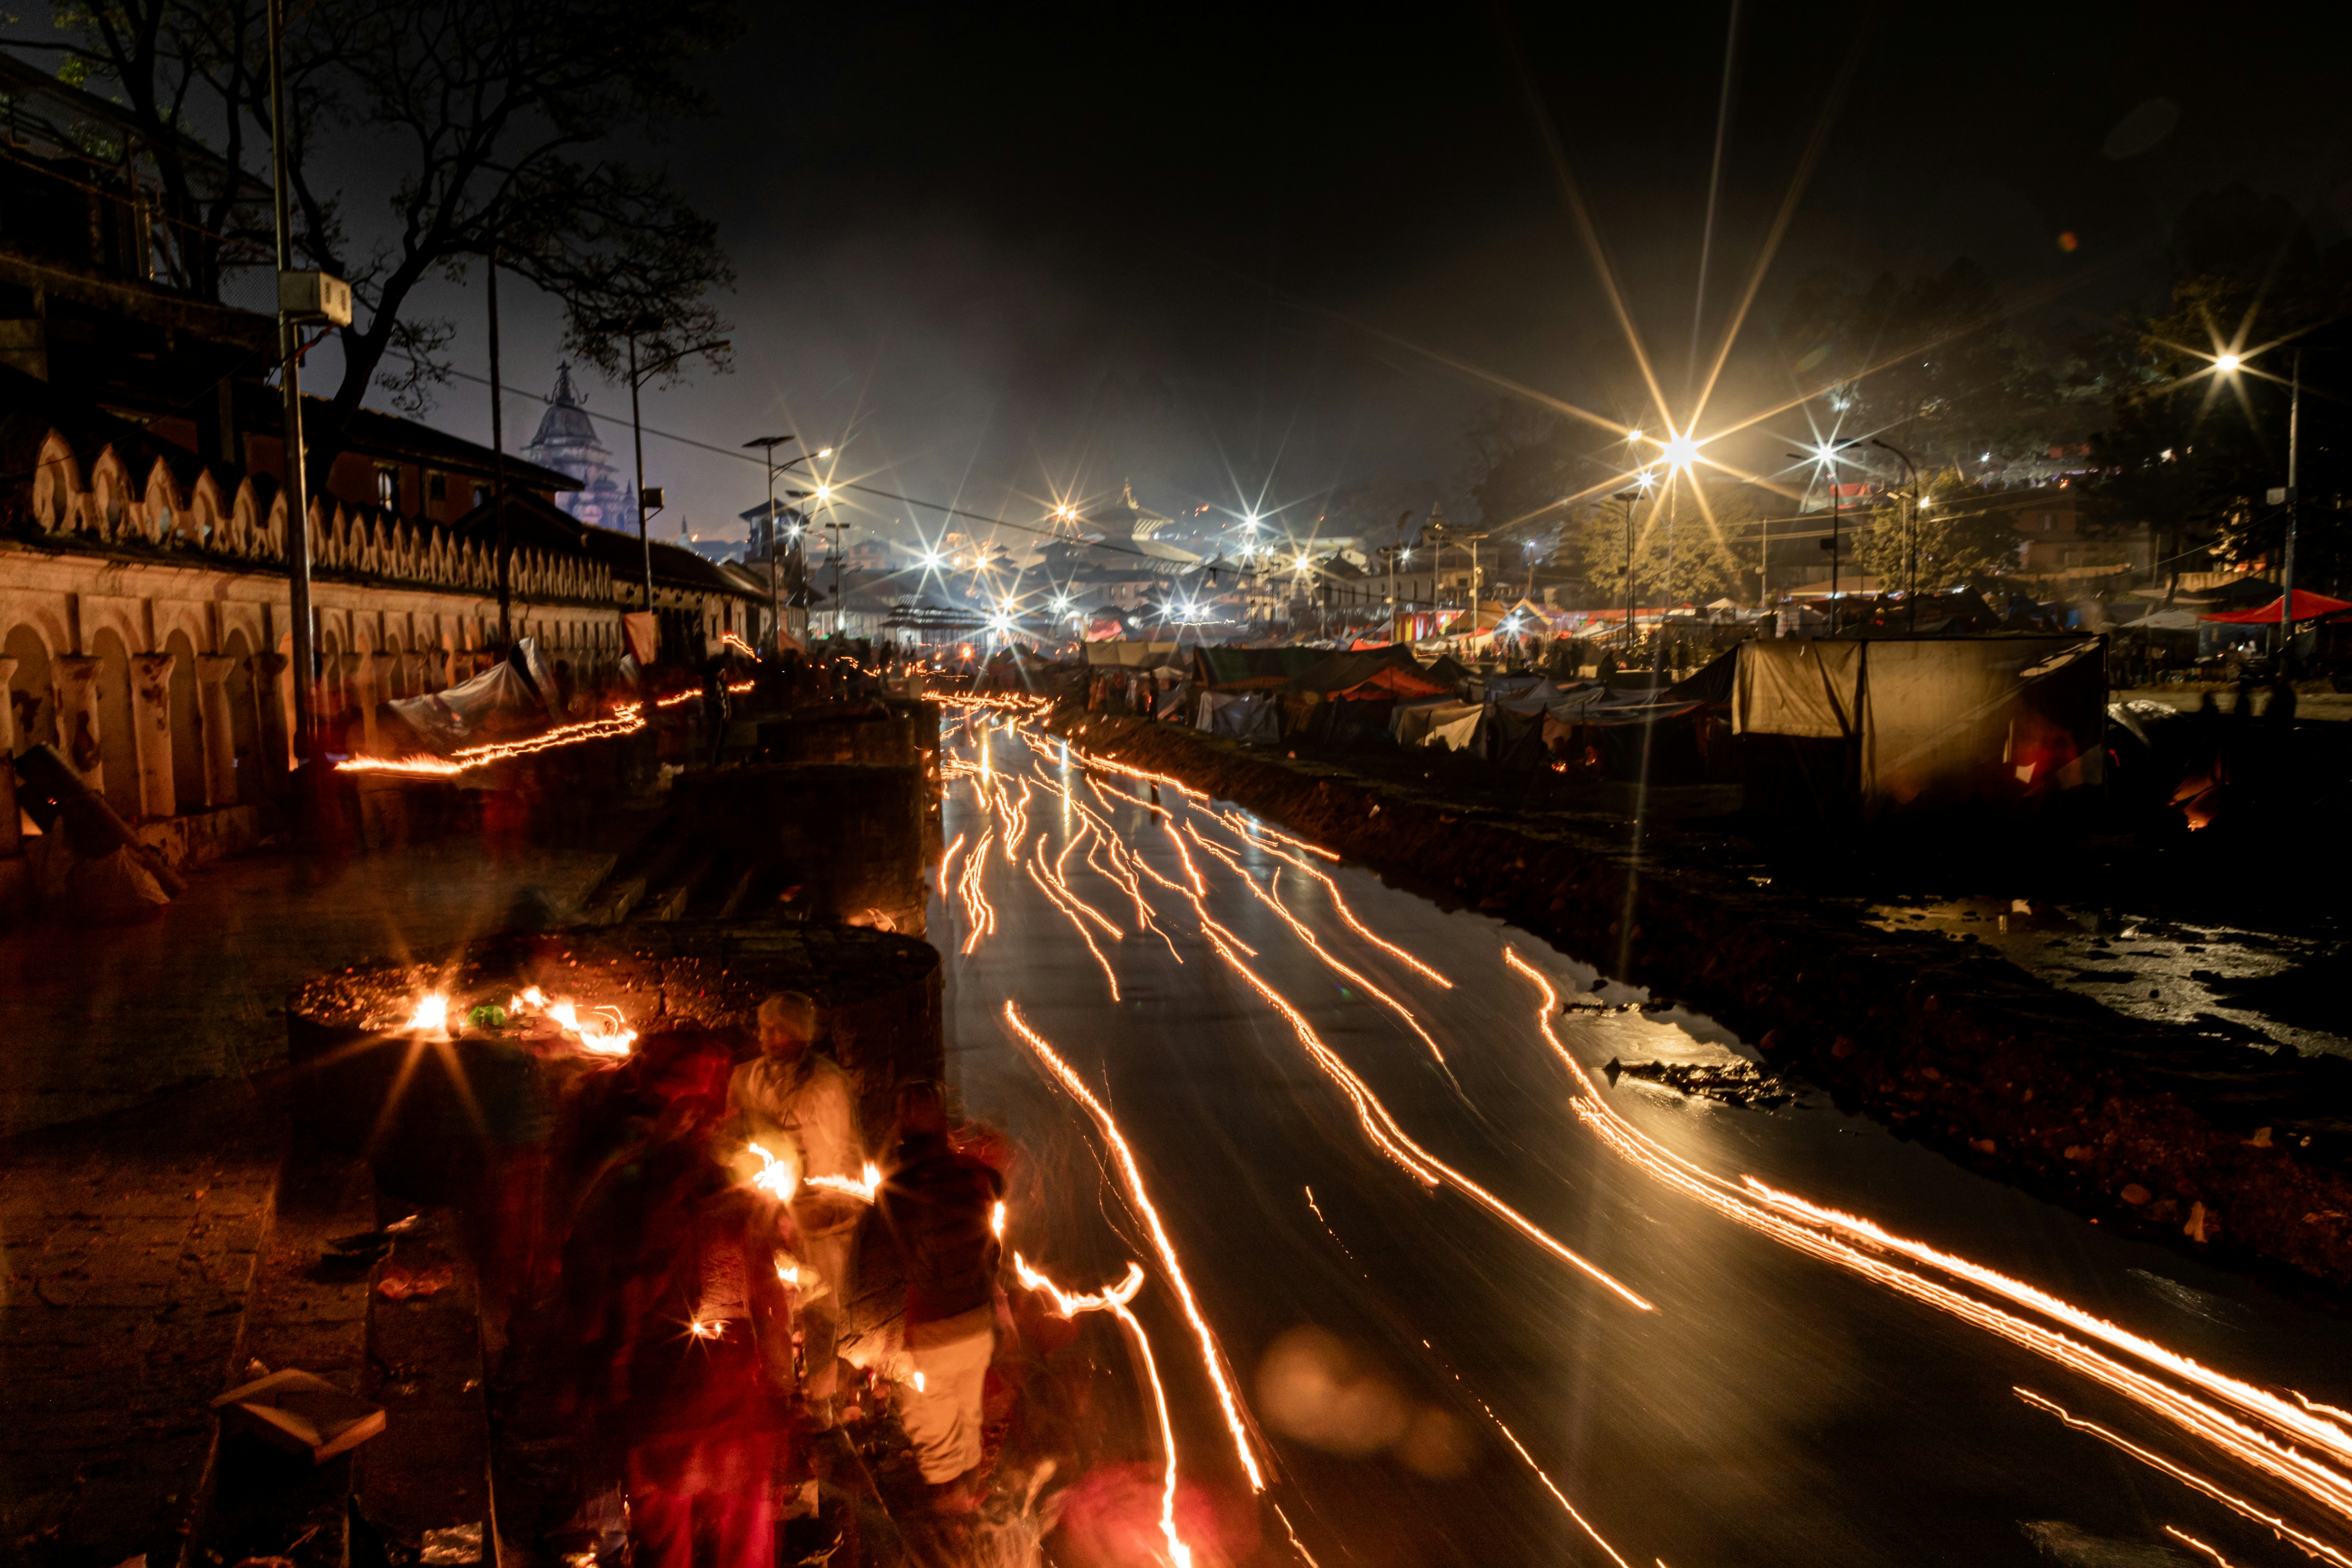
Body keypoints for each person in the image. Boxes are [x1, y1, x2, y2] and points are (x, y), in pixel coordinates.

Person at [728, 991, 862, 1406]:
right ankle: (778, 1394)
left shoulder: (828, 1083)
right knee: (768, 1308)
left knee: (823, 1307)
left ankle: (820, 1400)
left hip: (820, 1213)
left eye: (778, 1029)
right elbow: (731, 1135)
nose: (768, 1036)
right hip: (764, 1212)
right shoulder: (745, 1079)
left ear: (800, 1034)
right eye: (764, 1027)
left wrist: (839, 1200)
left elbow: (846, 1148)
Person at [876, 1083, 1004, 1502]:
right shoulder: (971, 1173)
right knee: (968, 1424)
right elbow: (997, 1195)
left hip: (933, 1324)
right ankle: (970, 1518)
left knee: (937, 1439)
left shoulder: (897, 1184)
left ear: (901, 1127)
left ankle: (950, 1530)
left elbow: (893, 1243)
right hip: (977, 1320)